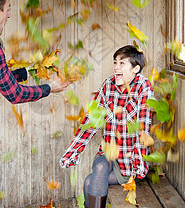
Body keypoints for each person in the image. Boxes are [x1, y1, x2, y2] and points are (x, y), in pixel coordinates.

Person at [0, 0, 69, 207]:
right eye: (7, 9)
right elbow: (13, 94)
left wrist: (26, 72)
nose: (9, 14)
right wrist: (50, 88)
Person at [60, 45, 154, 208]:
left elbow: (143, 130)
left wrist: (138, 166)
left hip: (129, 162)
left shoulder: (143, 87)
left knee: (90, 182)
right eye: (115, 62)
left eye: (122, 63)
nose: (116, 67)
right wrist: (72, 153)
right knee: (101, 165)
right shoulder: (108, 85)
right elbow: (90, 122)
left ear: (135, 69)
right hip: (108, 153)